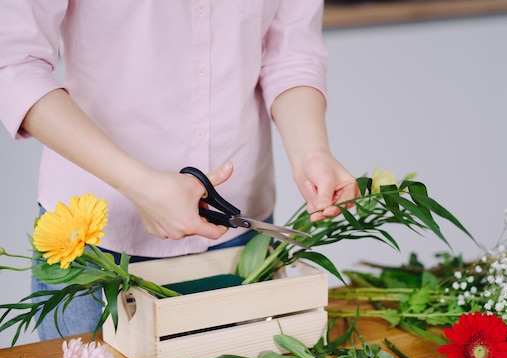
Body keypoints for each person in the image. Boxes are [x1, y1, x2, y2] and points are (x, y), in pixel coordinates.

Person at [0, 1, 358, 340]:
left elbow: (289, 50)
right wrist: (138, 185)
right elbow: (14, 63)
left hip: (241, 239)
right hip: (93, 244)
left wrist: (312, 151)